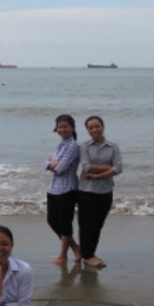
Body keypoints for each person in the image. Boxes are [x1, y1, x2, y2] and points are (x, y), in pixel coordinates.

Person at [77, 115, 122, 267]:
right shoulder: (84, 146)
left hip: (105, 191)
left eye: (97, 126)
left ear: (103, 127)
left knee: (97, 224)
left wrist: (98, 176)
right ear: (87, 130)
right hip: (85, 190)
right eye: (91, 127)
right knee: (85, 224)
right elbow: (86, 167)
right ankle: (87, 255)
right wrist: (108, 168)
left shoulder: (113, 147)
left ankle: (89, 253)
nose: (94, 129)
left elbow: (119, 168)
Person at [45, 114, 81, 264]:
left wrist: (53, 164)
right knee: (52, 221)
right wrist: (51, 164)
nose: (62, 129)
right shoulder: (61, 145)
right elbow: (45, 163)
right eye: (60, 127)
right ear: (56, 129)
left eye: (66, 126)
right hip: (54, 188)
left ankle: (63, 255)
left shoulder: (73, 146)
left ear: (72, 128)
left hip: (68, 189)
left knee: (65, 224)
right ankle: (76, 248)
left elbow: (60, 169)